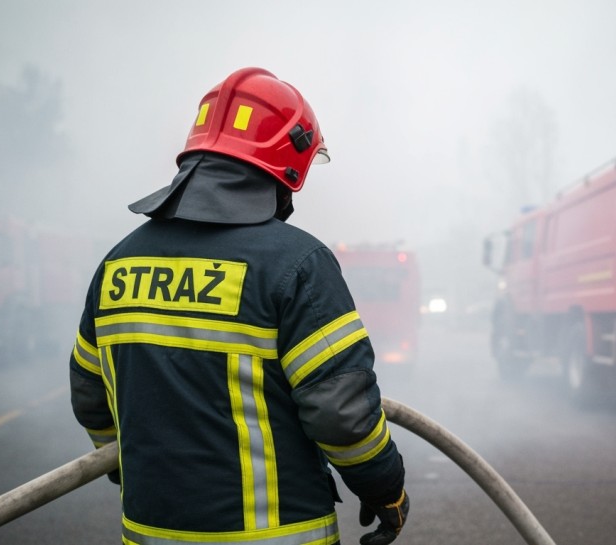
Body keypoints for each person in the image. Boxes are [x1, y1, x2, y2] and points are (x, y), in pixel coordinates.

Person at [69, 67, 408, 545]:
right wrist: (384, 489)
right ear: (288, 167)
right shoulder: (298, 264)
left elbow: (90, 391)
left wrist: (129, 467)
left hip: (148, 533)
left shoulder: (118, 263)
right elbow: (340, 414)